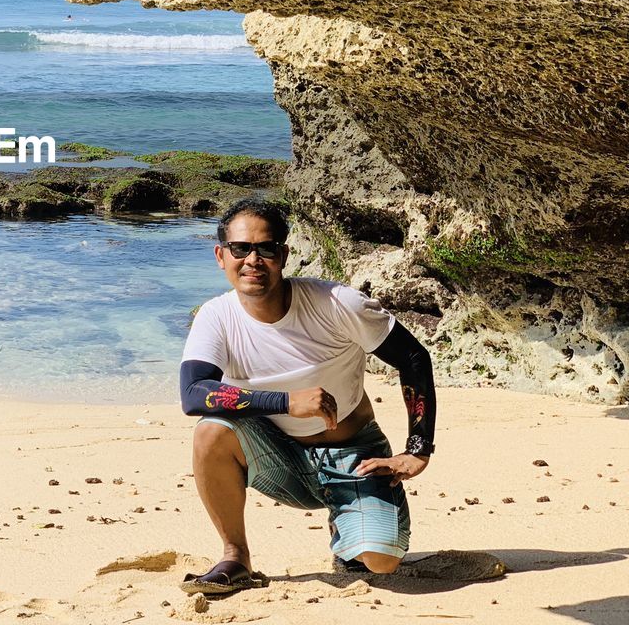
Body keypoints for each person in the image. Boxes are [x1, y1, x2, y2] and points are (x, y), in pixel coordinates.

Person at [178, 197, 436, 595]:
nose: (253, 260)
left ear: (283, 255)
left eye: (265, 249)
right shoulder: (216, 317)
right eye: (241, 249)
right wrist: (286, 401)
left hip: (356, 457)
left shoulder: (336, 303)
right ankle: (235, 557)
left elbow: (414, 358)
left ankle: (351, 532)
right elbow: (194, 394)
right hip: (279, 458)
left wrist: (417, 448)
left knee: (380, 563)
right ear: (221, 255)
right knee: (210, 431)